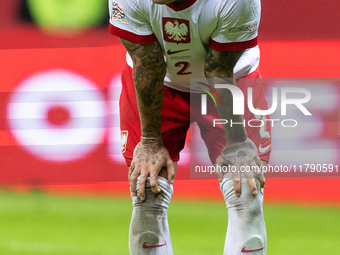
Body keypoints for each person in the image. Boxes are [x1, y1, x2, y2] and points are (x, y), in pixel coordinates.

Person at [108, 0, 271, 254]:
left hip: (231, 81)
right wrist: (150, 140)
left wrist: (238, 142)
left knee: (245, 191)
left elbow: (219, 69)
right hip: (159, 82)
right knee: (147, 189)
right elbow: (148, 64)